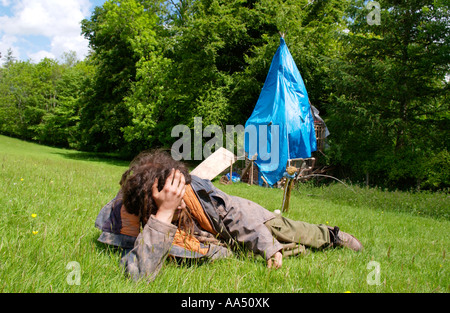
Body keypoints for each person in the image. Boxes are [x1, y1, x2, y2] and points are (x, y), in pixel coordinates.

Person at [95, 150, 363, 281]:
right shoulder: (126, 219)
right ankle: (290, 250)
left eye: (179, 194)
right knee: (284, 252)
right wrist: (164, 214)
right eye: (170, 197)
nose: (178, 201)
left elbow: (238, 219)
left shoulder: (197, 193)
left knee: (288, 232)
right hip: (218, 240)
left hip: (247, 217)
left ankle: (333, 236)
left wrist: (269, 249)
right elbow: (137, 276)